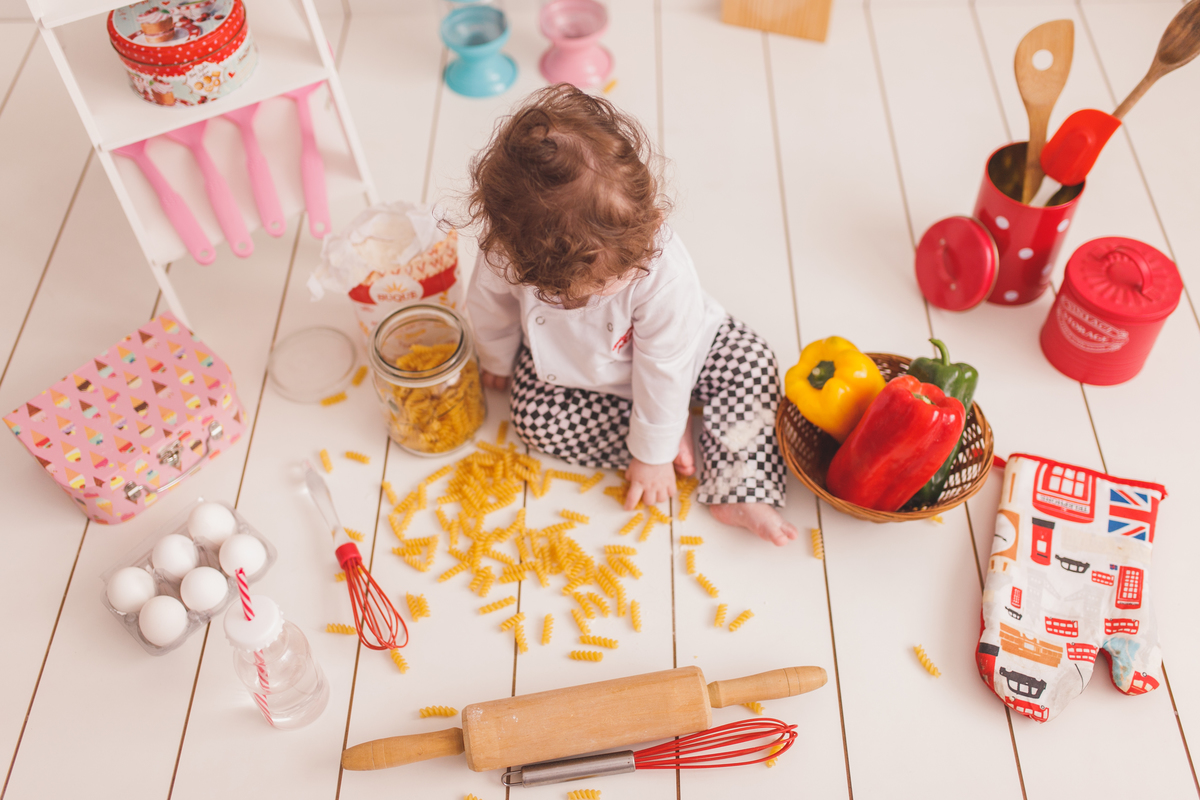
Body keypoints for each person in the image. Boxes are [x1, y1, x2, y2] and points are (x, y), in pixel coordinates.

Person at [463, 84, 797, 546]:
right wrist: (496, 360)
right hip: (581, 373)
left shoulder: (662, 270)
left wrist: (653, 455)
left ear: (650, 221)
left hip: (685, 353)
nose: (614, 287)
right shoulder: (505, 253)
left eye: (620, 272)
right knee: (533, 418)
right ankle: (676, 434)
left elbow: (665, 366)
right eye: (596, 286)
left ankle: (737, 486)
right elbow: (489, 309)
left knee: (751, 360)